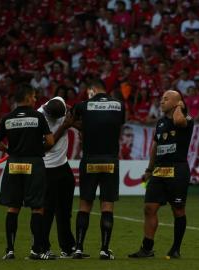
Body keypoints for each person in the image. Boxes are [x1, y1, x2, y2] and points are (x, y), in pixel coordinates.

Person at [0, 84, 55, 260]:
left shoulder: (7, 118)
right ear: (27, 98)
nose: (35, 100)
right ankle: (36, 250)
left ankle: (10, 250)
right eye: (34, 96)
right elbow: (50, 141)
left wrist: (8, 151)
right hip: (33, 163)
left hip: (14, 164)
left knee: (13, 207)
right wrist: (37, 148)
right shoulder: (37, 117)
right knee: (37, 208)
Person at [128, 90, 194, 259]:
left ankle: (175, 248)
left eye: (166, 99)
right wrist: (149, 169)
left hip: (177, 170)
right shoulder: (160, 123)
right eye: (161, 98)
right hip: (159, 170)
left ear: (177, 102)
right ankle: (147, 248)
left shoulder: (186, 118)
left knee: (178, 210)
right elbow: (155, 147)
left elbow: (178, 120)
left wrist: (179, 106)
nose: (162, 101)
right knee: (149, 208)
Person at [72, 78, 125, 260]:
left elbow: (72, 121)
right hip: (110, 160)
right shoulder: (119, 105)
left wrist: (84, 126)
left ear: (92, 90)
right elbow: (117, 125)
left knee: (85, 204)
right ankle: (104, 249)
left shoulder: (83, 105)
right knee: (107, 205)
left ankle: (78, 248)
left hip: (90, 159)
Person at [37, 96, 80, 259]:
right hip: (47, 168)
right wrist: (64, 126)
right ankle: (42, 247)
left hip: (63, 165)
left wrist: (74, 120)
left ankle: (68, 247)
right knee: (46, 211)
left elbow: (70, 114)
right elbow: (46, 145)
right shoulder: (39, 117)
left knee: (65, 210)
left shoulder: (60, 101)